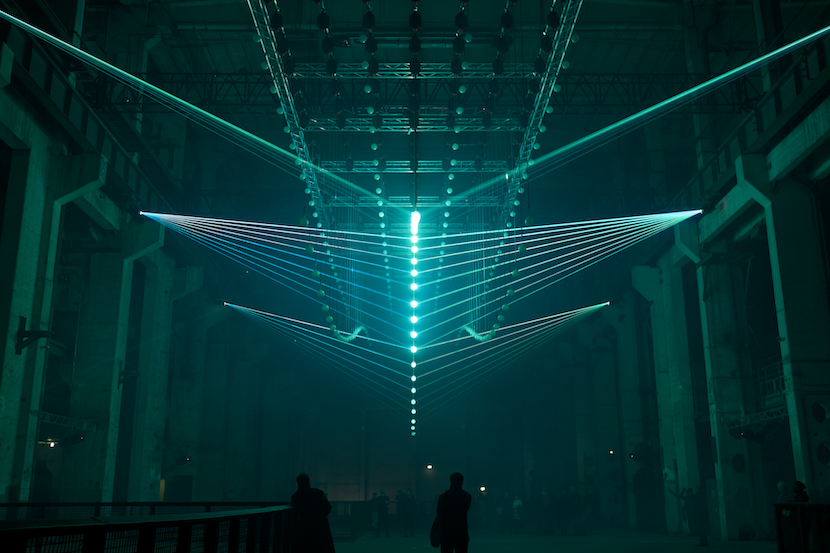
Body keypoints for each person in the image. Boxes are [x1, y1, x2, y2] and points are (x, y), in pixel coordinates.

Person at [291, 473, 335, 553]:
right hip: (320, 527)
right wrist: (320, 518)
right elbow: (328, 507)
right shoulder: (318, 493)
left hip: (305, 527)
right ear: (308, 482)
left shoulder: (296, 496)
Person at [437, 472, 472, 553]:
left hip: (446, 532)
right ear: (462, 482)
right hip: (461, 531)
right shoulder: (467, 496)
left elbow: (439, 512)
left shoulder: (443, 497)